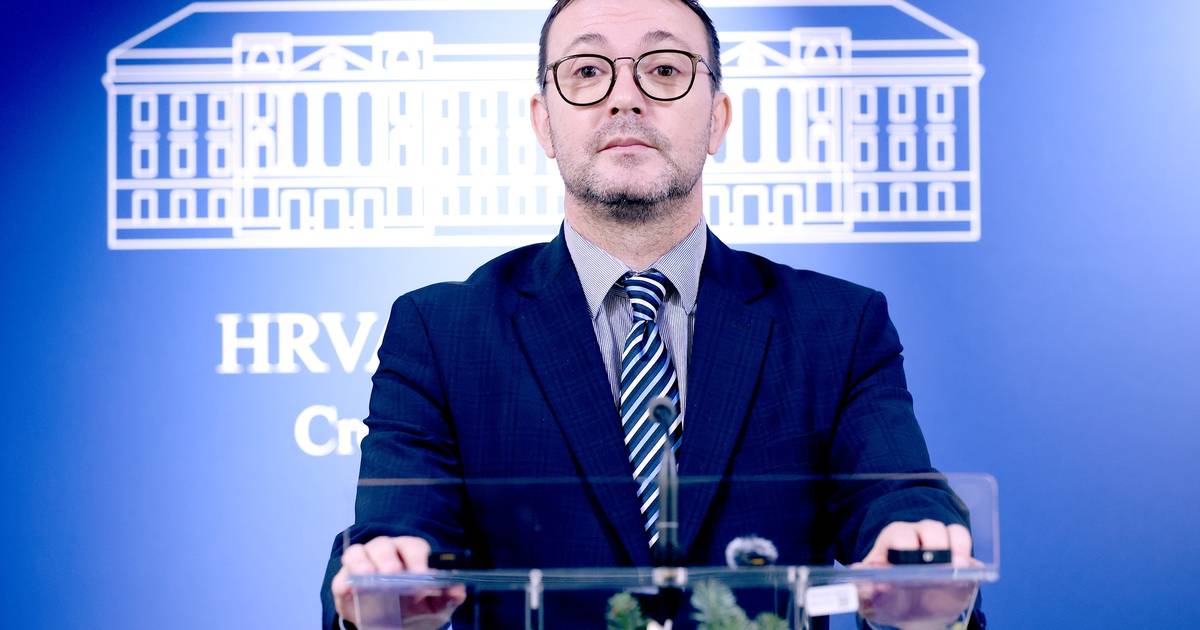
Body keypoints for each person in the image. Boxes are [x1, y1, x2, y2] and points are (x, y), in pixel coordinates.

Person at [322, 0, 982, 627]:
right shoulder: (441, 334)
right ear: (543, 122)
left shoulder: (837, 325)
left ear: (717, 119)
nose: (625, 97)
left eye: (664, 69)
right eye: (587, 71)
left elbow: (899, 496)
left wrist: (920, 554)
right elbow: (394, 533)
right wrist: (382, 592)